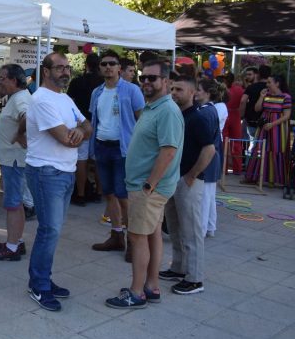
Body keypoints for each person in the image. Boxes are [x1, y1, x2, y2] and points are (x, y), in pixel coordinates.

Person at [105, 60, 183, 309]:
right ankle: (151, 286)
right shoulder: (153, 107)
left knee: (138, 238)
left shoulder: (167, 110)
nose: (146, 82)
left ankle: (136, 292)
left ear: (166, 81)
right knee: (152, 236)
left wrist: (149, 185)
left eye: (152, 78)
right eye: (143, 78)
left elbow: (168, 151)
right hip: (145, 185)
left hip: (147, 188)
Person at [25, 52, 92, 311]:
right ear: (46, 71)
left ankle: (43, 279)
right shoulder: (41, 99)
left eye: (67, 68)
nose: (65, 72)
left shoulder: (65, 98)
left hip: (65, 171)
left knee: (53, 230)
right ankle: (39, 285)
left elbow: (88, 126)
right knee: (49, 230)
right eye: (60, 68)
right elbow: (66, 138)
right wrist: (77, 132)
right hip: (46, 172)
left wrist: (79, 130)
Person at [160, 75, 217, 295]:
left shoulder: (198, 118)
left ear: (192, 93)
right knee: (174, 227)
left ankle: (195, 279)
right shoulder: (176, 115)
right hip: (173, 179)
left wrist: (192, 175)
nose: (174, 93)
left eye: (179, 90)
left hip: (188, 181)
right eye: (172, 89)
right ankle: (178, 267)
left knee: (191, 231)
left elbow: (209, 149)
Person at [89, 50, 145, 263]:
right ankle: (116, 235)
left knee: (123, 195)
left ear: (119, 67)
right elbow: (96, 120)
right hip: (102, 147)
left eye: (112, 63)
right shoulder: (97, 92)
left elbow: (142, 120)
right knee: (109, 193)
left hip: (123, 150)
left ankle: (133, 241)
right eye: (104, 64)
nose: (108, 67)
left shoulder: (131, 90)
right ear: (100, 67)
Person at [0, 64, 32, 261]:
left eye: (3, 78)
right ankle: (17, 241)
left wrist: (20, 133)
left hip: (13, 160)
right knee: (17, 203)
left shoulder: (21, 98)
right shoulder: (18, 97)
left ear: (14, 80)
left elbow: (28, 117)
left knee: (12, 203)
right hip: (12, 159)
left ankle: (12, 247)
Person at [67, 53, 103, 206]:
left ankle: (80, 194)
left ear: (86, 65)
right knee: (97, 161)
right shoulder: (103, 83)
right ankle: (98, 193)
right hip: (100, 125)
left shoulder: (77, 82)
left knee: (81, 161)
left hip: (81, 125)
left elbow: (70, 103)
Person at [245, 74, 291, 187]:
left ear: (277, 84)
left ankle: (276, 179)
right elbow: (257, 109)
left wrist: (273, 124)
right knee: (260, 149)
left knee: (276, 150)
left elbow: (286, 116)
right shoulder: (266, 94)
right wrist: (261, 96)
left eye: (270, 82)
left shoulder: (286, 97)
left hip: (278, 128)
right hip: (264, 126)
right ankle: (255, 177)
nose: (267, 84)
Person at [195, 79, 223, 238]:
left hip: (208, 160)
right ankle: (210, 227)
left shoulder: (205, 112)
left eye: (198, 89)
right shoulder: (209, 109)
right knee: (209, 197)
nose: (196, 92)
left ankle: (202, 229)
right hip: (213, 159)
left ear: (207, 93)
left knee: (205, 198)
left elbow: (207, 143)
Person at [240, 65, 269, 162]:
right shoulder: (271, 88)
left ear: (258, 75)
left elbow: (243, 100)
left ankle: (249, 167)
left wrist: (242, 115)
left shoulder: (251, 87)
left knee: (252, 144)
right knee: (265, 145)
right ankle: (261, 167)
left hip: (251, 119)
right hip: (267, 120)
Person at [223, 73, 244, 173]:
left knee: (224, 142)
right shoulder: (239, 89)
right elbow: (243, 101)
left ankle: (224, 168)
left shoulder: (222, 89)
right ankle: (237, 168)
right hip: (236, 114)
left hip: (225, 114)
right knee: (236, 142)